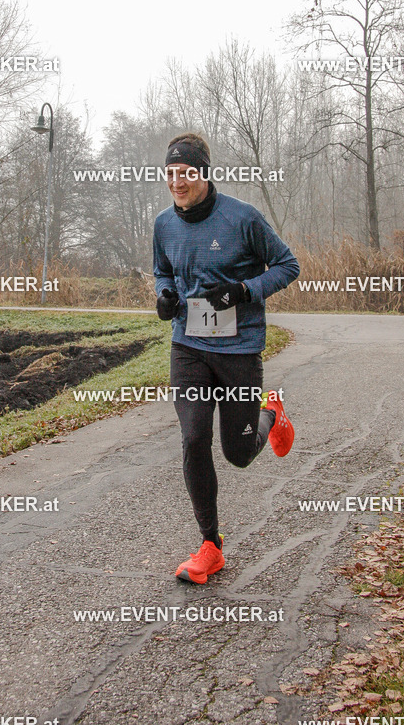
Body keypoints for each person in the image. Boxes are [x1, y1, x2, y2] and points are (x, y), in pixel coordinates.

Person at [153, 132, 300, 584]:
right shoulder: (163, 224)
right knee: (194, 438)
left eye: (187, 174)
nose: (178, 183)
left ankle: (270, 415)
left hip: (238, 350)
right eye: (171, 175)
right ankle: (210, 546)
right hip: (189, 348)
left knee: (237, 454)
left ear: (204, 173)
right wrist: (164, 296)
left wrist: (242, 290)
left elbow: (288, 266)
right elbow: (163, 271)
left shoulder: (243, 218)